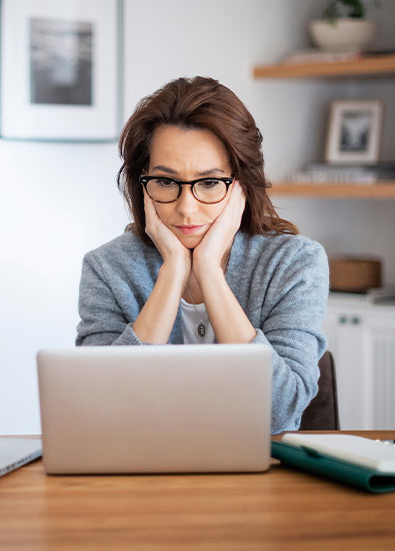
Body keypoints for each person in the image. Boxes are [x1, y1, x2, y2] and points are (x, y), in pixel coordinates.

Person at [75, 76, 328, 434]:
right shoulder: (107, 269)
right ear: (141, 183)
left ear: (241, 184)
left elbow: (279, 414)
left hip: (260, 477)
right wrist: (172, 272)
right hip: (142, 476)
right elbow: (103, 413)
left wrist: (209, 270)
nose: (186, 209)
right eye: (165, 182)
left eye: (209, 183)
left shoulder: (294, 263)